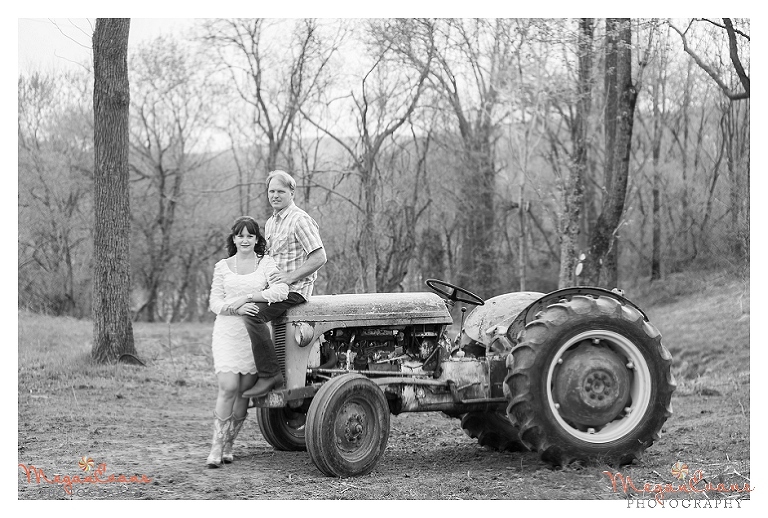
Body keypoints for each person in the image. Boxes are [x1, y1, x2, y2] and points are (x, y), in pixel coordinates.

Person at [206, 216, 289, 468]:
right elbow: (215, 303)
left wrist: (249, 297)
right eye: (240, 235)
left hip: (252, 337)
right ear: (233, 239)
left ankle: (230, 444)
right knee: (228, 386)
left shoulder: (266, 264)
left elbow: (281, 291)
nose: (245, 240)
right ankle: (216, 446)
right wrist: (237, 309)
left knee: (243, 393)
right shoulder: (222, 267)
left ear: (256, 240)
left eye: (250, 236)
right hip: (227, 333)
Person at [241, 170, 327, 398]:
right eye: (272, 191)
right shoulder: (271, 223)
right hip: (276, 289)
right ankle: (267, 376)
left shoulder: (300, 220)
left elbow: (319, 257)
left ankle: (271, 376)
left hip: (295, 290)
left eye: (281, 191)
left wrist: (290, 277)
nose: (275, 195)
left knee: (252, 314)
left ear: (292, 192)